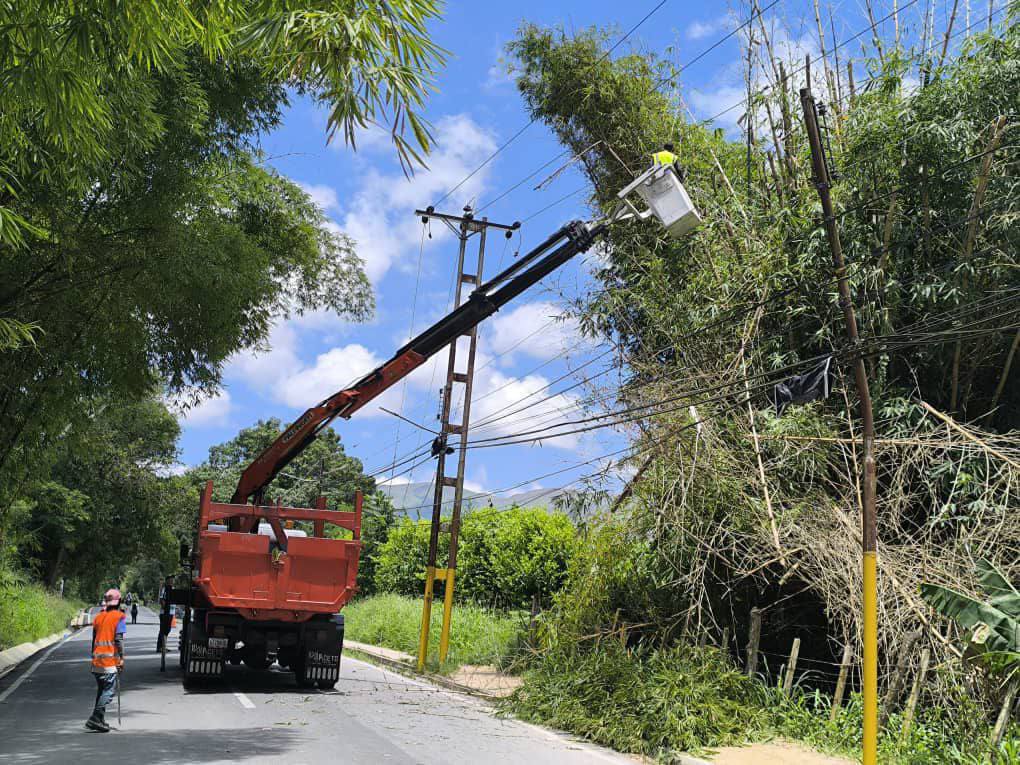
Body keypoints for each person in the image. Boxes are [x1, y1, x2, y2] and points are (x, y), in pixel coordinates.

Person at [86, 589, 125, 732]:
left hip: (96, 662)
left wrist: (93, 657)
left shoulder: (98, 617)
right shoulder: (119, 617)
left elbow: (94, 640)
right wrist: (121, 659)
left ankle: (100, 720)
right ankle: (95, 717)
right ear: (119, 601)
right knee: (108, 691)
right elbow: (119, 640)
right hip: (109, 663)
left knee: (102, 690)